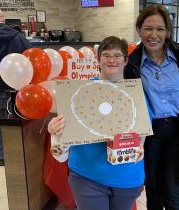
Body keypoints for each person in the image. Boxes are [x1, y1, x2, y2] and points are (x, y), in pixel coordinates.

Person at [48, 36, 152, 210]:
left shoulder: (136, 94)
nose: (112, 60)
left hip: (126, 177)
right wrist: (56, 133)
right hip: (87, 176)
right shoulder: (78, 93)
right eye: (106, 55)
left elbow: (141, 133)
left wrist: (139, 145)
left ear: (126, 60)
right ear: (98, 59)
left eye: (117, 55)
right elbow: (59, 154)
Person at [124, 5, 179, 210]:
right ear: (139, 30)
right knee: (152, 188)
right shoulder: (131, 63)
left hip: (176, 132)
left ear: (168, 32)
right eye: (148, 28)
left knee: (171, 189)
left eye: (160, 29)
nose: (154, 35)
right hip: (147, 135)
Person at [0, 8, 31, 166]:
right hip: (13, 87)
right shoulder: (18, 36)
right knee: (11, 121)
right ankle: (15, 155)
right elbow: (30, 56)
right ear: (3, 19)